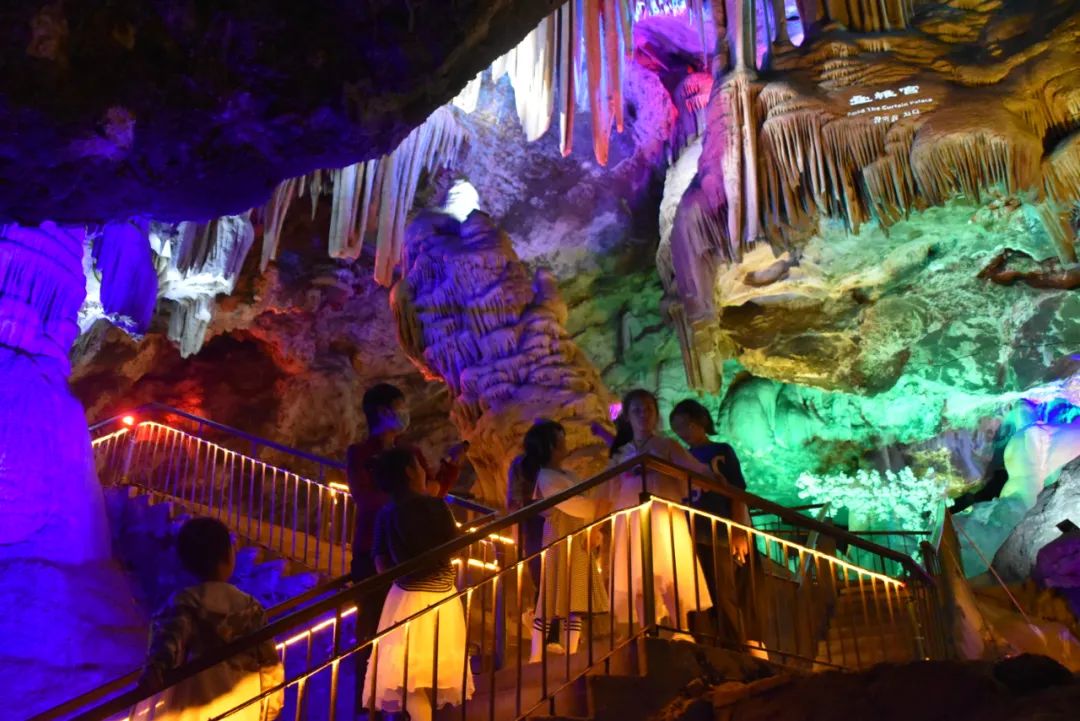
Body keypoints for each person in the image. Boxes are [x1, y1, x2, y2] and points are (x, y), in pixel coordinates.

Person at [362, 449, 473, 721]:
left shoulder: (387, 513)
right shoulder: (436, 506)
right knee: (432, 670)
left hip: (406, 600)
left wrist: (402, 572)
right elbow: (456, 546)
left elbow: (380, 560)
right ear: (410, 472)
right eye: (421, 466)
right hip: (443, 598)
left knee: (408, 678)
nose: (425, 472)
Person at [136, 518, 284, 721]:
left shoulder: (181, 605)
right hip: (241, 710)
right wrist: (269, 709)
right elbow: (269, 665)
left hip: (192, 710)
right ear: (228, 558)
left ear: (184, 561)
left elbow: (163, 655)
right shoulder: (250, 609)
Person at [607, 389, 712, 640]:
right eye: (637, 410)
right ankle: (648, 633)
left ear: (655, 414)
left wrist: (712, 476)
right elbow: (611, 489)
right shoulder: (623, 453)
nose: (643, 414)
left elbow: (695, 470)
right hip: (632, 518)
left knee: (669, 570)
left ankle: (681, 630)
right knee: (638, 574)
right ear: (628, 416)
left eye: (648, 409)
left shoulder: (667, 446)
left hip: (664, 515)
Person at [669, 399, 764, 656]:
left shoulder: (721, 451)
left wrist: (738, 531)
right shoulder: (681, 458)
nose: (684, 432)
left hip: (720, 531)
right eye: (678, 428)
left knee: (725, 594)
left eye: (686, 424)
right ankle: (712, 650)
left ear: (699, 421)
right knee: (703, 596)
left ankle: (737, 650)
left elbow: (736, 492)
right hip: (693, 533)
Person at [520, 420, 609, 662]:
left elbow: (583, 502)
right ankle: (536, 655)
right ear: (550, 446)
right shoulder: (546, 477)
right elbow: (573, 504)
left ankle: (571, 654)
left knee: (575, 598)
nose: (565, 443)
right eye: (561, 439)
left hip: (578, 538)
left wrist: (595, 522)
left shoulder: (569, 474)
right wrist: (598, 507)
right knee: (550, 596)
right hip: (559, 540)